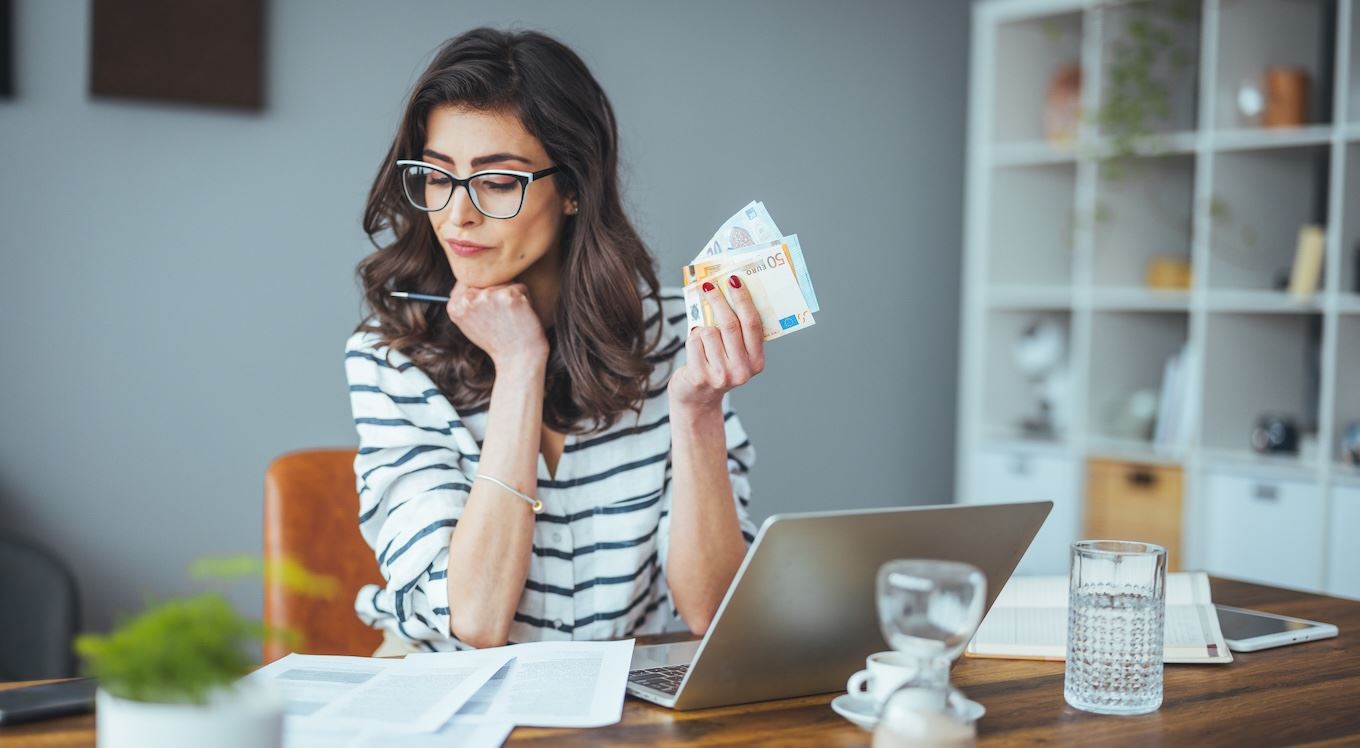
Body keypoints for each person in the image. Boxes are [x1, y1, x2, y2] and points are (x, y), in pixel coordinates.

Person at [345, 27, 767, 655]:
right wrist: (519, 367)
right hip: (453, 699)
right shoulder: (391, 359)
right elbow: (475, 620)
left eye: (497, 182)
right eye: (436, 176)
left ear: (572, 188)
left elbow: (712, 613)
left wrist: (698, 411)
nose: (457, 215)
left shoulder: (679, 336)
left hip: (625, 709)